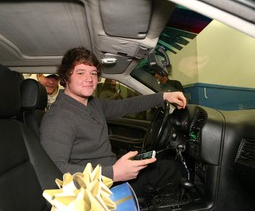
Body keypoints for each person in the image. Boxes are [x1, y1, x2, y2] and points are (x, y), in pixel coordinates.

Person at [40, 47, 187, 197]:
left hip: (110, 172)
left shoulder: (92, 104)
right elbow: (54, 171)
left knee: (162, 162)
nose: (89, 79)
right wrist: (113, 173)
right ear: (66, 77)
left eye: (93, 73)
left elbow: (126, 105)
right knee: (170, 169)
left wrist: (163, 97)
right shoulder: (58, 118)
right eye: (80, 73)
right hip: (97, 189)